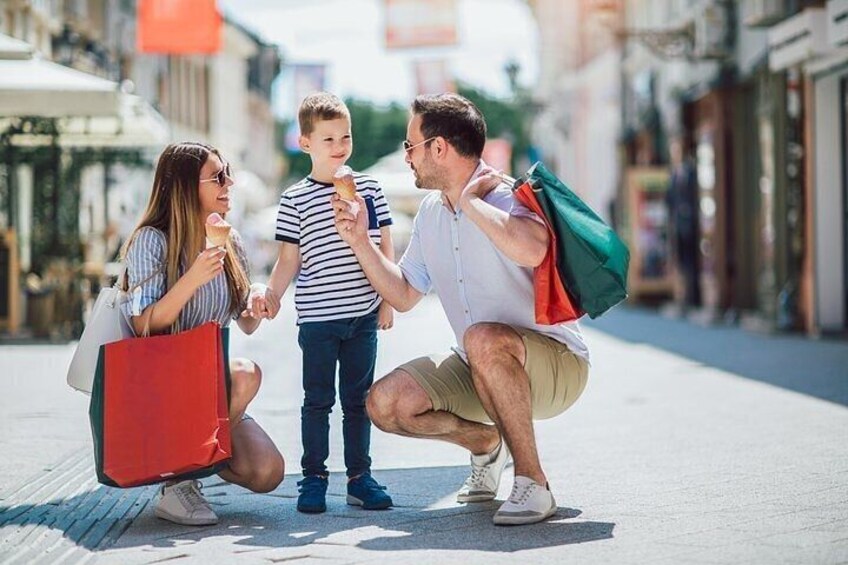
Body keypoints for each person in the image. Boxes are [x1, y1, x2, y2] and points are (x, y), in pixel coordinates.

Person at [331, 93, 591, 526]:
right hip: (481, 363)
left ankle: (533, 483)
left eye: (410, 146)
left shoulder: (508, 196)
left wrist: (472, 203)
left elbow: (532, 250)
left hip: (557, 364)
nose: (407, 157)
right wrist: (360, 240)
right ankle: (486, 442)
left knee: (481, 338)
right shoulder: (432, 213)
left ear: (438, 148)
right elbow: (404, 294)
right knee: (385, 403)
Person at [121, 141, 285, 526]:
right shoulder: (152, 240)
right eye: (218, 177)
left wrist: (258, 298)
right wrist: (193, 277)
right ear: (184, 186)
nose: (229, 183)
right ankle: (176, 482)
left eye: (227, 173)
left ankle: (189, 460)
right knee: (244, 373)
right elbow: (142, 322)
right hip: (160, 385)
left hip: (206, 389)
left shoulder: (230, 240)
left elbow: (245, 320)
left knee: (267, 472)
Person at [259, 92, 395, 514]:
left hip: (362, 314)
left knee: (359, 401)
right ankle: (313, 478)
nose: (339, 147)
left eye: (345, 137)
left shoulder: (370, 188)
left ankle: (359, 477)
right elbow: (288, 259)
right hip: (317, 317)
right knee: (317, 401)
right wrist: (272, 295)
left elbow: (384, 245)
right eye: (329, 139)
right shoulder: (295, 199)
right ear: (305, 144)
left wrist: (388, 300)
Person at [665, 138, 701, 310]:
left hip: (692, 224)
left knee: (691, 260)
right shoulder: (672, 174)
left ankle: (694, 297)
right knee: (681, 262)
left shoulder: (690, 171)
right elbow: (670, 200)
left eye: (676, 150)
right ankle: (684, 297)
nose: (674, 154)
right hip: (678, 225)